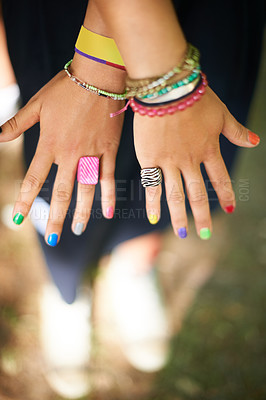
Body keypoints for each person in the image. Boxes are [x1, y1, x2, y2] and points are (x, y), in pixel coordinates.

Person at [0, 0, 264, 398]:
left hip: (207, 17)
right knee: (74, 176)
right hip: (71, 23)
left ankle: (134, 262)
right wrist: (101, 59)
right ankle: (67, 287)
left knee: (174, 166)